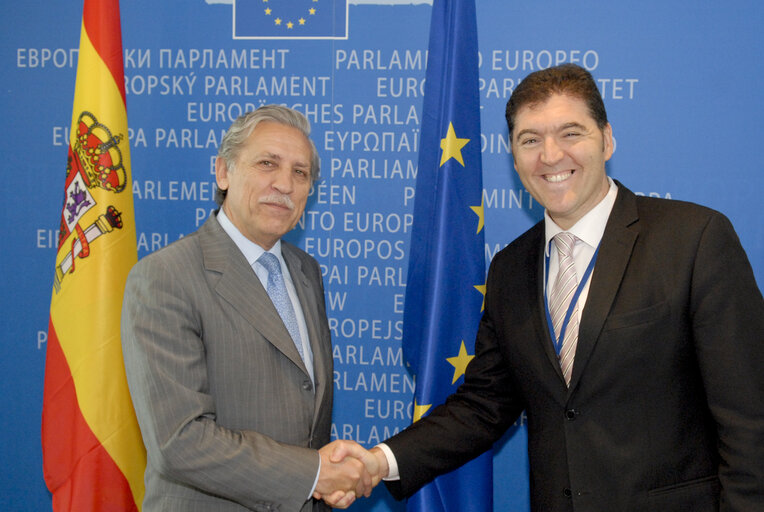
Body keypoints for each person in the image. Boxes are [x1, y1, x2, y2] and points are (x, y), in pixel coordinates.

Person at [330, 63, 764, 511]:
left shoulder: (693, 238)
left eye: (570, 133)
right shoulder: (510, 268)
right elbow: (485, 404)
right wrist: (380, 462)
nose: (551, 156)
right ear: (514, 157)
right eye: (530, 140)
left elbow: (751, 420)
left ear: (607, 139)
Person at [122, 105, 374, 511]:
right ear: (223, 172)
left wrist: (324, 478)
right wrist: (313, 474)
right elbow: (180, 441)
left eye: (300, 172)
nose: (284, 184)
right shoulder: (164, 277)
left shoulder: (306, 272)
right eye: (267, 163)